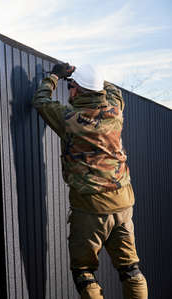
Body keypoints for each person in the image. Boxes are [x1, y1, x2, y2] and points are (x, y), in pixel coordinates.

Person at [32, 63, 148, 298]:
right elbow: (115, 92)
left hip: (90, 209)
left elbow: (41, 101)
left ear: (78, 90)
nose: (70, 91)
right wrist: (92, 79)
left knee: (84, 271)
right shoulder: (115, 113)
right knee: (130, 269)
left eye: (71, 86)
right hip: (123, 204)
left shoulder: (70, 119)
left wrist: (55, 75)